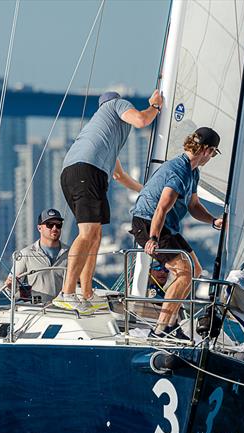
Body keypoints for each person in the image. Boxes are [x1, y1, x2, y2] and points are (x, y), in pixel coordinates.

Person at [53, 89, 164, 314]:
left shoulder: (102, 137)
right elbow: (142, 120)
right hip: (87, 171)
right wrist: (155, 106)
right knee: (87, 233)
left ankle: (86, 294)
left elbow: (119, 176)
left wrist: (147, 191)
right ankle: (66, 293)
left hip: (80, 173)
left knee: (95, 234)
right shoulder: (115, 105)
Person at [130, 127, 224, 339]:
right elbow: (162, 207)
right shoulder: (179, 170)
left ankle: (170, 320)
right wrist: (152, 238)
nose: (212, 157)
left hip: (167, 227)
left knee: (195, 270)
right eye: (214, 153)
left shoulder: (193, 172)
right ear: (207, 150)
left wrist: (213, 221)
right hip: (148, 222)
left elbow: (193, 206)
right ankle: (161, 329)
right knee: (184, 271)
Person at [5, 209, 69, 304]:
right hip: (37, 312)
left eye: (58, 225)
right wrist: (10, 286)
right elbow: (10, 289)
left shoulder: (71, 253)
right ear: (39, 228)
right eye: (50, 225)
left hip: (66, 312)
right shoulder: (25, 254)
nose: (55, 228)